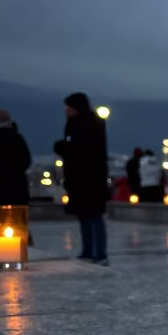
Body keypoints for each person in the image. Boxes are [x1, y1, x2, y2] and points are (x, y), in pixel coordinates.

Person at [54, 93, 110, 264]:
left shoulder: (90, 124)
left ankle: (99, 253)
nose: (66, 110)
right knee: (84, 216)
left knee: (94, 216)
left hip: (90, 178)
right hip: (78, 179)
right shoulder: (74, 124)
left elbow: (84, 151)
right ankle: (88, 251)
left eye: (68, 107)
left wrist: (63, 147)